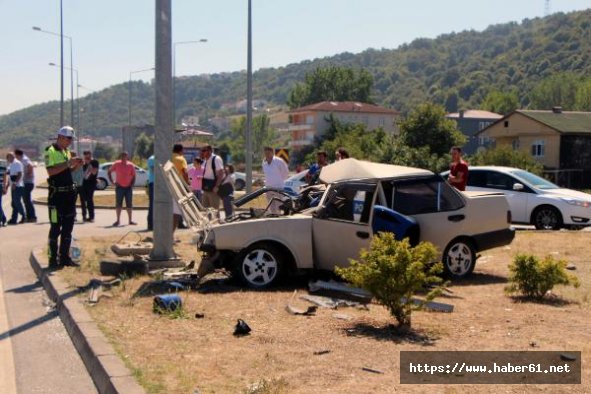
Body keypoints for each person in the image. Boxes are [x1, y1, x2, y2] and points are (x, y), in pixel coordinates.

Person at [44, 126, 83, 268]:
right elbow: (51, 171)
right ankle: (52, 258)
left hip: (69, 196)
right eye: (69, 139)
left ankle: (65, 257)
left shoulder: (66, 152)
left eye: (72, 139)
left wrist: (76, 166)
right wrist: (68, 163)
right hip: (56, 197)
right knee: (55, 228)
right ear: (60, 137)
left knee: (68, 228)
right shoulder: (50, 151)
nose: (70, 142)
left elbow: (66, 172)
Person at [108, 151, 136, 226]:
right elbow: (109, 171)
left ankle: (130, 220)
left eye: (125, 156)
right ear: (121, 157)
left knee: (129, 204)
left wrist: (132, 184)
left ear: (127, 157)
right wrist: (112, 181)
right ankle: (118, 220)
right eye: (122, 156)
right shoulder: (117, 164)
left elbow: (134, 176)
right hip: (119, 186)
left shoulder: (130, 165)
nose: (124, 158)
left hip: (128, 187)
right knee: (118, 204)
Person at [262, 146, 289, 214]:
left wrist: (279, 181)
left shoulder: (279, 161)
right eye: (266, 153)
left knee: (278, 207)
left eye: (268, 153)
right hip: (268, 188)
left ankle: (279, 222)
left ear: (272, 153)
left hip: (278, 188)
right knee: (271, 208)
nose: (267, 155)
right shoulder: (264, 163)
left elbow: (285, 173)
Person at [200, 145, 224, 214]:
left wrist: (216, 186)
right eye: (201, 150)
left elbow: (221, 173)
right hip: (205, 188)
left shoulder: (216, 159)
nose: (202, 152)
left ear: (210, 151)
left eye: (204, 150)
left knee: (215, 211)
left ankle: (217, 224)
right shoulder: (205, 160)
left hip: (213, 189)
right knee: (205, 211)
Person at [15, 149, 37, 222]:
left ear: (18, 154)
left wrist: (29, 174)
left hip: (28, 182)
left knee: (27, 200)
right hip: (26, 182)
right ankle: (29, 216)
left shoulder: (24, 159)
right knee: (26, 200)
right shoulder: (23, 159)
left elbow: (30, 165)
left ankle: (32, 217)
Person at [171, 144, 189, 231]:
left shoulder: (167, 157)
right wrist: (188, 185)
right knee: (176, 212)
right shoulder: (181, 159)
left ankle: (164, 235)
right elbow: (185, 173)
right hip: (177, 187)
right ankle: (171, 235)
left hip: (166, 186)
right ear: (181, 150)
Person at [6, 152, 26, 225]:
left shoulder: (17, 163)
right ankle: (13, 219)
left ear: (13, 156)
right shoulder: (11, 164)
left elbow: (19, 174)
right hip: (13, 186)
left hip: (18, 186)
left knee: (17, 201)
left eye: (10, 157)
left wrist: (15, 183)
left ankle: (24, 215)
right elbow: (10, 176)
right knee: (14, 203)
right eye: (8, 157)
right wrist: (8, 185)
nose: (9, 158)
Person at [81, 150, 99, 222]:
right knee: (83, 200)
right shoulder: (83, 163)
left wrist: (89, 164)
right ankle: (84, 216)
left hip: (91, 183)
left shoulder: (94, 162)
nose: (86, 156)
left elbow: (94, 172)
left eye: (87, 154)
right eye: (85, 154)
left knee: (89, 200)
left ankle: (91, 217)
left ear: (90, 154)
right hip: (83, 183)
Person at [70, 152, 84, 221]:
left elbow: (83, 162)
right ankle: (74, 215)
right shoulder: (70, 164)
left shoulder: (81, 162)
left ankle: (84, 216)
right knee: (72, 200)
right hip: (74, 184)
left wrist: (78, 161)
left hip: (80, 184)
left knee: (83, 200)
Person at [146, 154, 154, 231]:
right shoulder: (152, 158)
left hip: (160, 184)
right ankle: (150, 224)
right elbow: (154, 169)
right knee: (152, 204)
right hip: (153, 183)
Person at [0, 158, 6, 226]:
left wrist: (4, 187)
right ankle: (3, 219)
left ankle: (2, 220)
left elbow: (4, 176)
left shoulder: (2, 163)